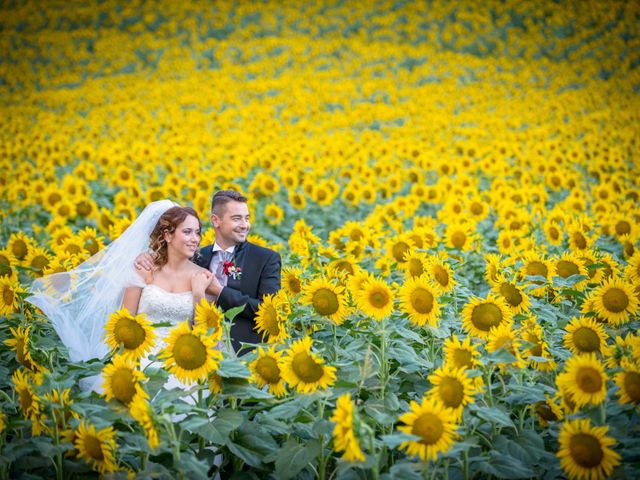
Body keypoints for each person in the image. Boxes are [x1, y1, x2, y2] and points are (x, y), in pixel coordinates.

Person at [26, 201, 211, 380]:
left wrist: (198, 294)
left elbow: (205, 335)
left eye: (197, 232)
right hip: (141, 360)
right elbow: (124, 322)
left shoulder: (203, 277)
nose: (195, 239)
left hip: (184, 366)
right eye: (187, 232)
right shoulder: (144, 268)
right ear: (168, 235)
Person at [136, 190, 281, 354]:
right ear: (215, 220)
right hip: (193, 352)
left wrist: (220, 292)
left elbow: (271, 312)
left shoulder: (265, 258)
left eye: (246, 218)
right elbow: (169, 264)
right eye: (236, 218)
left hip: (243, 354)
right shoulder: (196, 256)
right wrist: (146, 257)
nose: (244, 225)